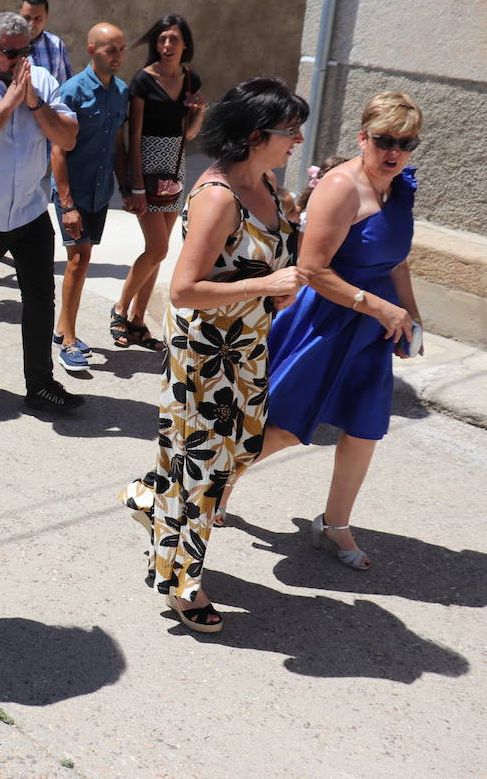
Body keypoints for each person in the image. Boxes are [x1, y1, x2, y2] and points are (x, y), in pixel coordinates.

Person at [119, 77, 308, 633]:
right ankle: (181, 583)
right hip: (205, 355)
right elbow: (183, 289)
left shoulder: (267, 185)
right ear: (256, 136)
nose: (296, 138)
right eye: (288, 130)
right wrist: (266, 285)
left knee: (237, 452)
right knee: (203, 471)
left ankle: (151, 496)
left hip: (247, 348)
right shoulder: (219, 197)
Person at [214, 92, 424, 562]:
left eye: (405, 143)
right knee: (287, 426)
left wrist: (410, 317)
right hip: (327, 319)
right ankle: (215, 485)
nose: (394, 152)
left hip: (373, 326)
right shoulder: (341, 186)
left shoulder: (401, 186)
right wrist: (379, 309)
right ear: (362, 137)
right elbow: (313, 269)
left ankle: (334, 524)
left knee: (366, 429)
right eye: (384, 140)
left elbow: (398, 260)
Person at [0, 12, 81, 412]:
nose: (20, 61)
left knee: (40, 300)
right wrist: (9, 102)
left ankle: (39, 384)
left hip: (29, 213)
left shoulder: (40, 81)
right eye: (10, 53)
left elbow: (68, 138)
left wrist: (34, 103)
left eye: (25, 52)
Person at [111, 15, 206, 353]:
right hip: (147, 164)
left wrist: (198, 112)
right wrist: (134, 186)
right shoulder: (142, 80)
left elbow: (189, 133)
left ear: (184, 44)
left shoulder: (191, 78)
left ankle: (138, 321)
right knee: (158, 248)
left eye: (173, 39)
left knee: (158, 253)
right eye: (162, 39)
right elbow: (133, 135)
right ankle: (120, 309)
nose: (167, 46)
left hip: (174, 167)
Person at [48, 24, 130, 370]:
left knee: (83, 260)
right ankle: (68, 341)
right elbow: (57, 151)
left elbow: (120, 146)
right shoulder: (72, 91)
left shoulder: (122, 91)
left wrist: (129, 189)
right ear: (91, 49)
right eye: (111, 50)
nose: (117, 57)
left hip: (100, 193)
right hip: (74, 192)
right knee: (77, 262)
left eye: (122, 50)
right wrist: (66, 205)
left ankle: (62, 327)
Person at [18, 0, 72, 86]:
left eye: (37, 19)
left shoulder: (56, 44)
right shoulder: (9, 44)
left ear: (46, 17)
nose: (31, 24)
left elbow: (65, 85)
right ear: (19, 15)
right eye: (27, 18)